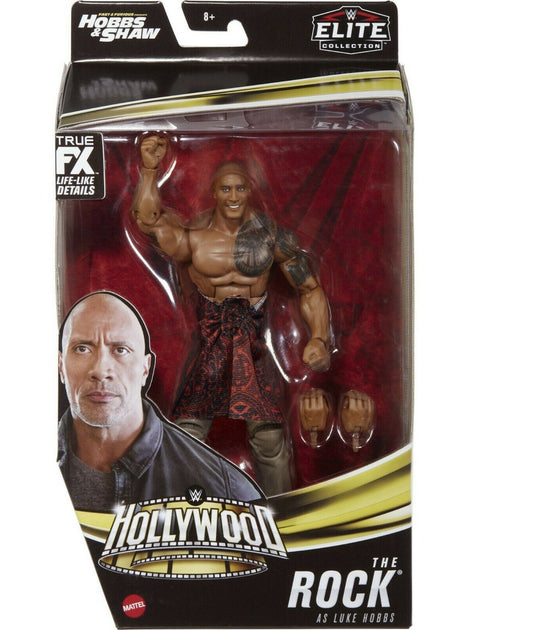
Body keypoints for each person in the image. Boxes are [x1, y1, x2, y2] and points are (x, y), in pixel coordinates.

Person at [131, 135, 332, 495]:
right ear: (214, 192)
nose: (234, 195)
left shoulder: (271, 236)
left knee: (269, 438)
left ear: (250, 191)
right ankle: (182, 508)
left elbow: (310, 288)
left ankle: (282, 514)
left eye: (240, 187)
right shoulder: (194, 237)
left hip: (252, 341)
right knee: (188, 433)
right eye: (226, 188)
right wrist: (149, 169)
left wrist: (318, 336)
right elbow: (148, 221)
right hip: (209, 338)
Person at [57, 291, 263, 512]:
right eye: (82, 349)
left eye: (120, 350)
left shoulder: (226, 492)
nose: (100, 371)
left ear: (145, 368)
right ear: (60, 365)